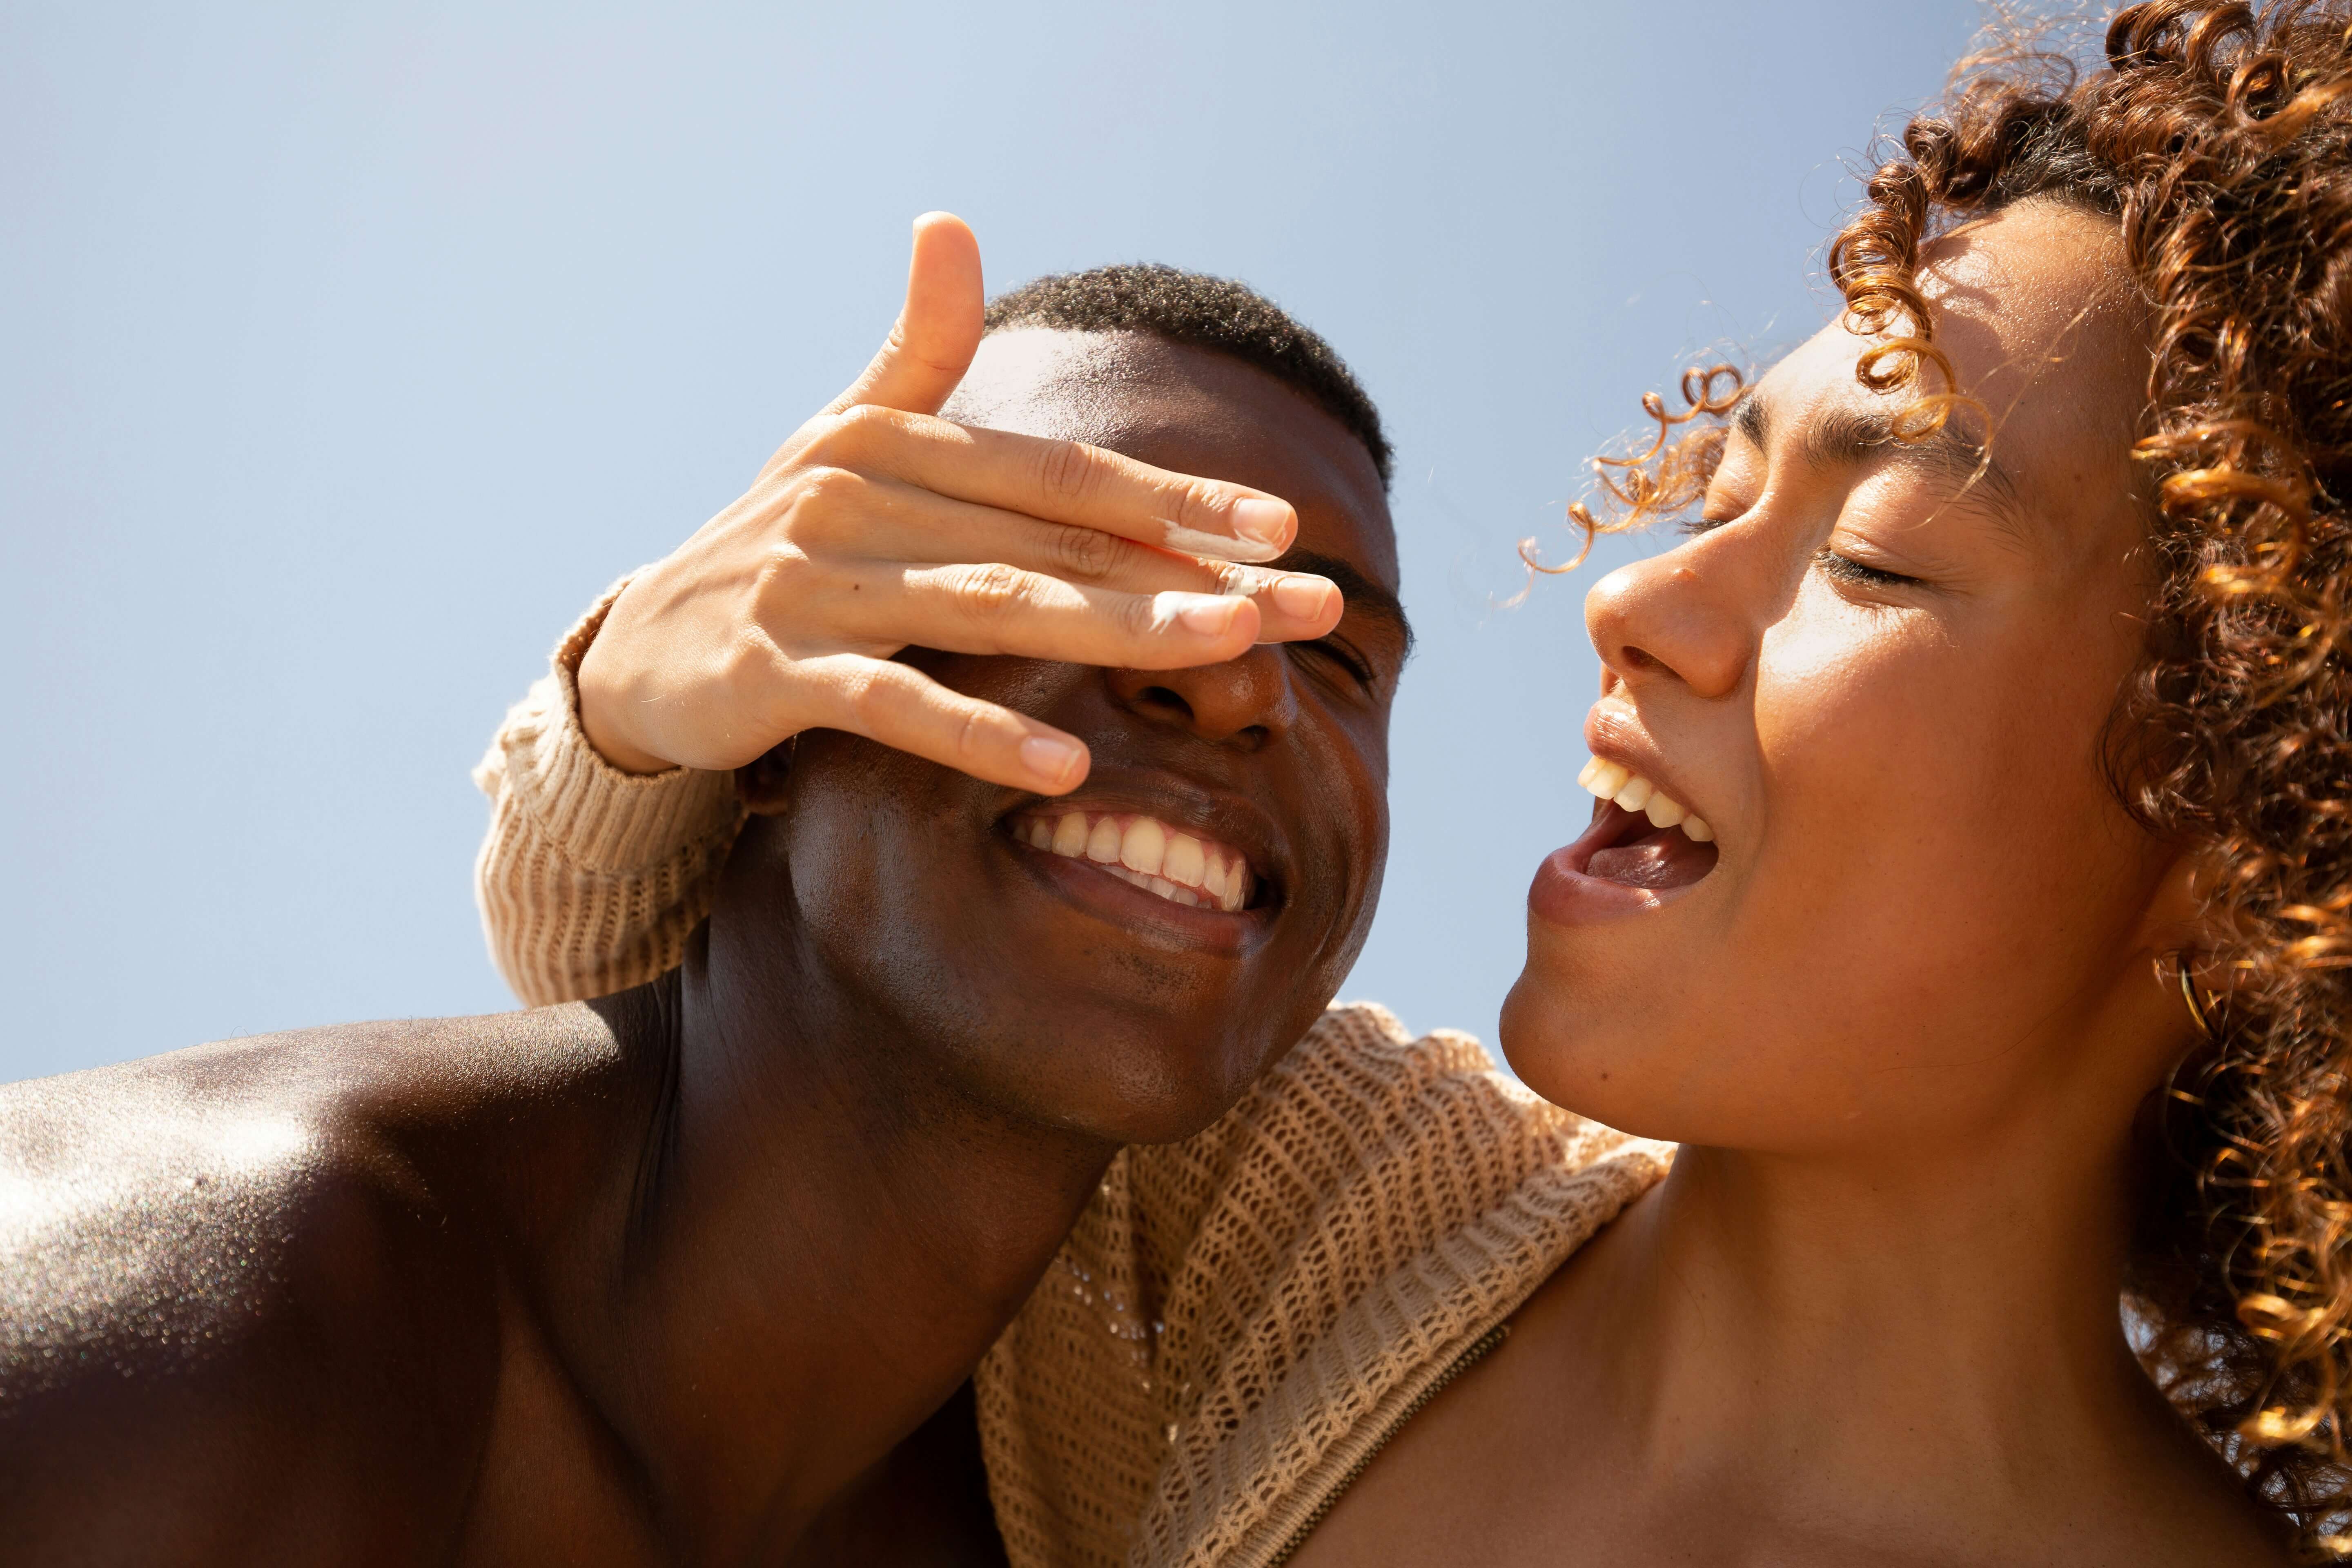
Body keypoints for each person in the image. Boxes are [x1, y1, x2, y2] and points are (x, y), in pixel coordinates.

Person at [479, 3, 2352, 1562]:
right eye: (1712, 498)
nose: (1631, 601)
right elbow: (665, 985)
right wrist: (644, 691)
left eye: (1872, 553)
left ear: (2253, 816)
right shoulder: (1324, 1224)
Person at [1, 220, 1668, 1566]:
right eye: (1077, 566)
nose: (1236, 677)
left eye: (1340, 651)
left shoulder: (1135, 1464)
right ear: (763, 697)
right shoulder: (220, 1315)